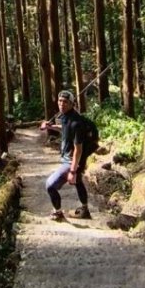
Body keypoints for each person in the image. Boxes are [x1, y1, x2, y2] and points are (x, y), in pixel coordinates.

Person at [40, 90, 91, 221]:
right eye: (60, 101)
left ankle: (58, 213)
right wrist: (50, 127)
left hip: (71, 161)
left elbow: (78, 149)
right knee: (78, 182)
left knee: (50, 185)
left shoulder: (76, 122)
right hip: (74, 160)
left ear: (71, 104)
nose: (61, 104)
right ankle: (85, 209)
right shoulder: (67, 117)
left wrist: (72, 171)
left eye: (65, 102)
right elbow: (65, 129)